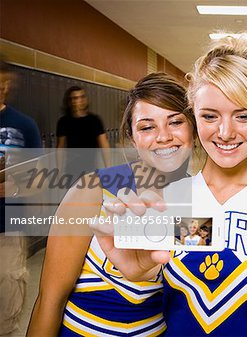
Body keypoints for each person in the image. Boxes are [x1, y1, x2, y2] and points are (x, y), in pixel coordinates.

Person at [93, 37, 247, 336]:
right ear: (193, 112)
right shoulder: (167, 200)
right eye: (210, 116)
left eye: (242, 115)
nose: (226, 132)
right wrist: (140, 272)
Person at [27, 72, 194, 336]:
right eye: (147, 126)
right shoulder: (92, 191)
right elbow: (49, 302)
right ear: (131, 137)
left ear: (193, 129)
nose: (163, 137)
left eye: (175, 122)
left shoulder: (199, 197)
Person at [0, 57, 42, 335]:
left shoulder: (23, 125)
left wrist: (13, 187)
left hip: (7, 224)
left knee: (8, 289)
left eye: (4, 82)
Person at [56, 85, 111, 185]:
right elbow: (60, 148)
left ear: (85, 100)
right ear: (69, 102)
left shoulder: (94, 120)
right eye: (74, 98)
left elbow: (104, 145)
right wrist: (59, 171)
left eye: (81, 97)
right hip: (71, 170)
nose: (78, 101)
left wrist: (109, 168)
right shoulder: (63, 122)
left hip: (90, 168)